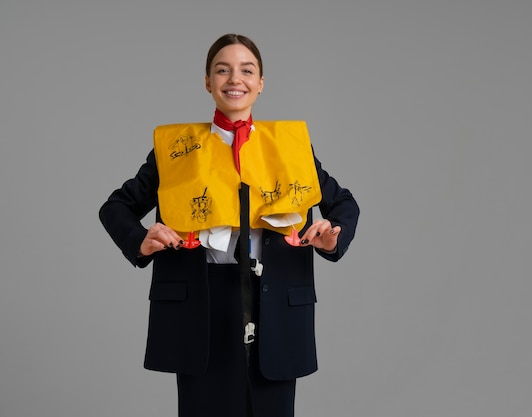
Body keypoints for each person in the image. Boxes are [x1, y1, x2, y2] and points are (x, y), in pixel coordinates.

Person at [99, 33, 359, 417]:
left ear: (260, 83)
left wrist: (330, 237)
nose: (234, 79)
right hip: (203, 303)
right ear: (208, 82)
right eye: (222, 70)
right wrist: (141, 240)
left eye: (246, 70)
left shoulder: (291, 149)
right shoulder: (175, 151)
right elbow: (116, 206)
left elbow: (344, 205)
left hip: (276, 300)